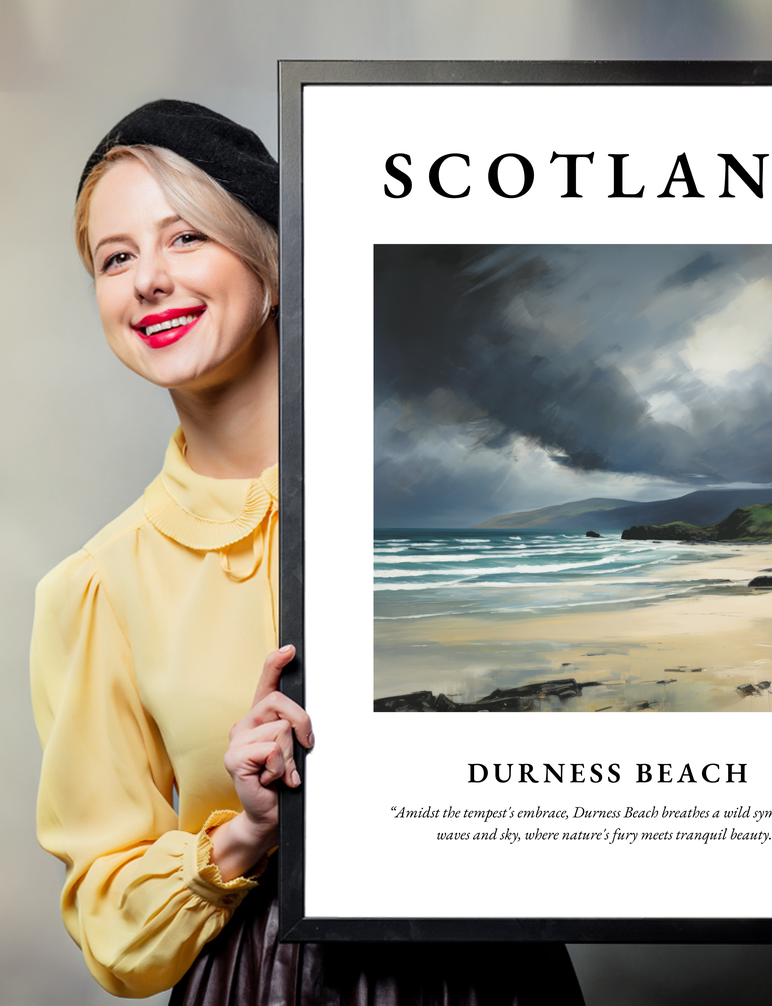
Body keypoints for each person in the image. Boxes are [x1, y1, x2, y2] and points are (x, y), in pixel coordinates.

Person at [30, 100, 586, 1004]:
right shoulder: (97, 587)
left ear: (273, 263)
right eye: (116, 257)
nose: (148, 281)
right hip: (263, 981)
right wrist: (245, 832)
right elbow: (110, 924)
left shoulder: (436, 506)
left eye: (186, 239)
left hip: (492, 972)